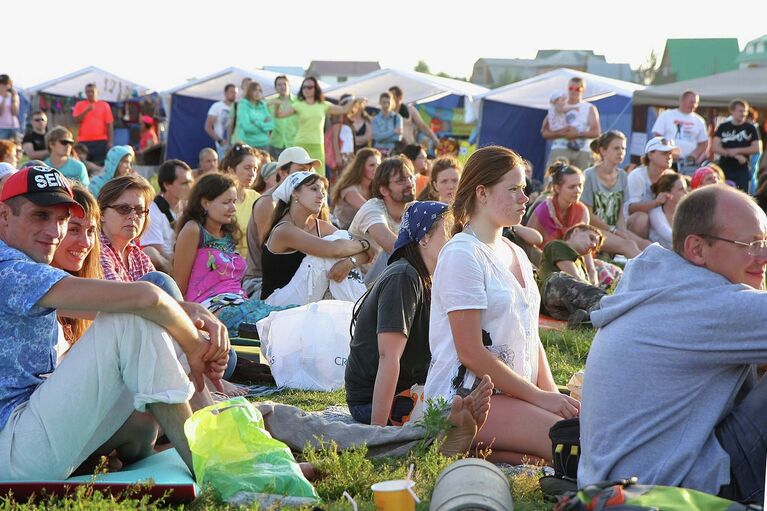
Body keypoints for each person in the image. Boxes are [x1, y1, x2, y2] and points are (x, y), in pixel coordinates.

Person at [0, 163, 230, 480]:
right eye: (40, 215)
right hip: (12, 449)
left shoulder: (18, 264)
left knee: (143, 321)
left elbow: (134, 303)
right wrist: (192, 342)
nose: (55, 232)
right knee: (136, 316)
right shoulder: (10, 269)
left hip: (27, 428)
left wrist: (183, 315)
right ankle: (219, 471)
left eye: (63, 219)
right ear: (4, 216)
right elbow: (145, 299)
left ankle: (219, 445)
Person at [579, 185, 767, 503]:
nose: (762, 257)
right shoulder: (711, 305)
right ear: (696, 248)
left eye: (763, 242)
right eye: (750, 244)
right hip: (670, 493)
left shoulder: (663, 279)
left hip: (619, 487)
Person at [425, 145, 580, 464]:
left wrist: (549, 394)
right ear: (481, 193)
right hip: (468, 397)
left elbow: (529, 334)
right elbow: (470, 352)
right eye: (513, 189)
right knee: (574, 444)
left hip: (515, 394)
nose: (524, 198)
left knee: (574, 435)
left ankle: (467, 450)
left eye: (523, 189)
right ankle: (454, 436)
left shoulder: (517, 252)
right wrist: (539, 399)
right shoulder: (462, 254)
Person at [346, 202, 451, 425]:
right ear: (424, 238)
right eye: (448, 232)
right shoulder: (403, 277)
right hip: (374, 403)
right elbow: (388, 356)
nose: (453, 241)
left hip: (406, 389)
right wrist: (378, 433)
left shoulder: (425, 277)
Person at [261, 171, 371, 305]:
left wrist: (349, 263)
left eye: (323, 191)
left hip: (305, 298)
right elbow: (334, 249)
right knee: (330, 247)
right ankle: (362, 310)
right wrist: (364, 244)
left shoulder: (322, 227)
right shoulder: (284, 230)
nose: (321, 195)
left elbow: (369, 254)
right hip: (276, 302)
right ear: (295, 193)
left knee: (342, 236)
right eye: (314, 189)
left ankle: (358, 309)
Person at [582, 131, 649, 258]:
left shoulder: (623, 176)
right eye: (616, 148)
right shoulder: (589, 175)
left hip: (614, 229)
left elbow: (620, 215)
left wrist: (622, 232)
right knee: (629, 246)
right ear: (603, 151)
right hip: (593, 229)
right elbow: (587, 215)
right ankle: (646, 274)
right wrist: (614, 231)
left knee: (646, 244)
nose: (621, 152)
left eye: (623, 148)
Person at [349, 156, 415, 284]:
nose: (410, 184)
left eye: (411, 177)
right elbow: (392, 247)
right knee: (396, 252)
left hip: (388, 282)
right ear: (384, 190)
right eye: (401, 181)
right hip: (360, 284)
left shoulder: (414, 208)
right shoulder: (372, 208)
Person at [274, 77, 356, 175]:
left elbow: (344, 109)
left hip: (317, 145)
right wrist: (277, 105)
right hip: (301, 143)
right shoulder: (298, 105)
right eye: (304, 87)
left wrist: (355, 100)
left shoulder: (323, 105)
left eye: (310, 87)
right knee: (298, 174)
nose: (306, 90)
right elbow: (279, 115)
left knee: (319, 175)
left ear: (316, 89)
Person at [537, 223, 607, 327]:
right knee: (560, 278)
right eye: (591, 238)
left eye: (594, 247)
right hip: (551, 289)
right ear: (576, 231)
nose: (593, 245)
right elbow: (574, 276)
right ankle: (603, 308)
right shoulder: (558, 245)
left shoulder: (581, 263)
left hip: (561, 308)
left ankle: (586, 320)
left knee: (596, 302)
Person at [97, 175, 156, 282]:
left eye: (139, 210)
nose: (133, 216)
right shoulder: (96, 251)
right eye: (123, 208)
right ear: (101, 213)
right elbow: (117, 296)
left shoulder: (139, 257)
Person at [141, 159, 193, 274]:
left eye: (190, 182)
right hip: (165, 268)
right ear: (167, 185)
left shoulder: (189, 208)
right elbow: (156, 252)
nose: (190, 187)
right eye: (184, 183)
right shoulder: (151, 211)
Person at [541, 77, 601, 170]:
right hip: (560, 149)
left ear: (583, 90)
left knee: (581, 182)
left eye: (577, 89)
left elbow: (596, 132)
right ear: (567, 88)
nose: (573, 91)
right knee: (553, 181)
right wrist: (560, 133)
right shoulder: (558, 106)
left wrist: (578, 134)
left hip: (582, 151)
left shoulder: (589, 108)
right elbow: (544, 132)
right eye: (571, 88)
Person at [624, 136, 678, 239]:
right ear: (650, 155)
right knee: (641, 218)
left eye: (670, 153)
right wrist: (656, 202)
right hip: (634, 227)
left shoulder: (671, 176)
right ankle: (639, 254)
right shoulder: (637, 176)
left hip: (660, 222)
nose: (669, 156)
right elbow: (631, 209)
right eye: (664, 153)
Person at [651, 90, 708, 176]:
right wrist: (668, 151)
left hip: (688, 163)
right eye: (691, 102)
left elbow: (703, 143)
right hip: (669, 160)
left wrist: (693, 156)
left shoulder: (699, 120)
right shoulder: (667, 115)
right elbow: (657, 135)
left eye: (696, 103)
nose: (693, 105)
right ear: (682, 101)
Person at [713, 98, 762, 192]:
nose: (743, 114)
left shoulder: (750, 128)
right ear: (732, 111)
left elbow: (757, 148)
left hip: (742, 168)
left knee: (742, 195)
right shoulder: (723, 127)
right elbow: (715, 147)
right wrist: (732, 154)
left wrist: (737, 151)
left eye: (745, 111)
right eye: (740, 111)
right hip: (724, 168)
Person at [330, 148, 381, 230]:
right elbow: (370, 209)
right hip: (341, 232)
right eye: (372, 165)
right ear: (361, 167)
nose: (376, 169)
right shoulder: (349, 190)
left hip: (362, 232)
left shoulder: (375, 188)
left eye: (378, 165)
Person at [72, 83, 114, 165]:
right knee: (83, 164)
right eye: (87, 92)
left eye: (92, 91)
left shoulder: (104, 105)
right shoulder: (80, 105)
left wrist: (110, 142)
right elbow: (76, 120)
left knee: (99, 165)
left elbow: (109, 124)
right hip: (83, 141)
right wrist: (86, 110)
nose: (90, 94)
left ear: (97, 92)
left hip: (100, 141)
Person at [388, 86, 440, 151]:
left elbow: (422, 125)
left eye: (392, 96)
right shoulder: (386, 112)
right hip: (391, 148)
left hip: (409, 146)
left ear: (400, 97)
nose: (390, 99)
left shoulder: (410, 110)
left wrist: (434, 137)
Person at [647, 172, 688, 250]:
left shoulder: (686, 213)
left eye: (686, 189)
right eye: (681, 189)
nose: (686, 193)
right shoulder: (655, 213)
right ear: (667, 194)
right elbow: (669, 236)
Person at [231, 82, 274, 151]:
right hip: (247, 144)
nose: (257, 93)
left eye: (259, 90)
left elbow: (271, 125)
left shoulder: (263, 105)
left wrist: (256, 123)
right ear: (249, 91)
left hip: (264, 144)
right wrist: (263, 125)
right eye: (255, 90)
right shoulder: (243, 105)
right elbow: (246, 127)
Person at [268, 75, 298, 160]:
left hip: (294, 143)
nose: (282, 87)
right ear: (275, 88)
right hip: (276, 143)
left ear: (289, 86)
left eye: (284, 84)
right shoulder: (271, 102)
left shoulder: (298, 102)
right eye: (279, 85)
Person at [205, 83, 237, 158]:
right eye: (232, 92)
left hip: (236, 144)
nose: (234, 94)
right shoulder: (217, 106)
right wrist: (220, 140)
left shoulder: (238, 107)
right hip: (223, 145)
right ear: (225, 93)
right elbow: (208, 127)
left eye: (235, 92)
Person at [0, 75, 20, 141]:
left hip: (14, 127)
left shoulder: (14, 96)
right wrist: (4, 99)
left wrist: (13, 99)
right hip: (1, 127)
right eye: (1, 83)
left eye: (5, 83)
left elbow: (15, 113)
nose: (3, 86)